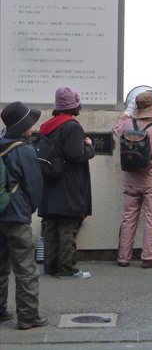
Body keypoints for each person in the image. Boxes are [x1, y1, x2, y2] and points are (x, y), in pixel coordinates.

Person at [0, 102, 49, 329]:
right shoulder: (24, 150)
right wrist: (29, 209)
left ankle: (1, 310)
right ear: (22, 127)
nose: (32, 126)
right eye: (30, 123)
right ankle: (28, 316)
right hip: (16, 215)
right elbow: (35, 185)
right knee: (25, 267)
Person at [38, 87, 94, 279]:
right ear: (74, 106)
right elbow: (75, 155)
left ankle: (50, 267)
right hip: (69, 183)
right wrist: (89, 147)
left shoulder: (48, 127)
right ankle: (67, 269)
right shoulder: (72, 126)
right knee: (68, 225)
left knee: (52, 225)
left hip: (51, 182)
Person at [113, 91, 152, 268]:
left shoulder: (126, 124)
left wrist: (127, 112)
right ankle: (149, 257)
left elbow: (115, 128)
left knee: (128, 217)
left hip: (130, 178)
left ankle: (123, 257)